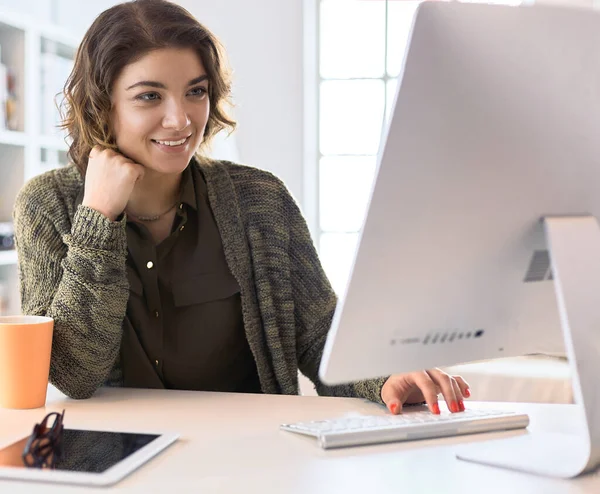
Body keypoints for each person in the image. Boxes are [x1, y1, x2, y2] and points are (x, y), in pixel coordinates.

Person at [13, 0, 470, 416]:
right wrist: (98, 217)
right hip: (113, 461)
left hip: (253, 458)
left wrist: (386, 376)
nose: (181, 119)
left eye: (196, 91)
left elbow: (317, 334)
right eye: (149, 96)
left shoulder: (260, 199)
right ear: (102, 105)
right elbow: (74, 374)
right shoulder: (47, 206)